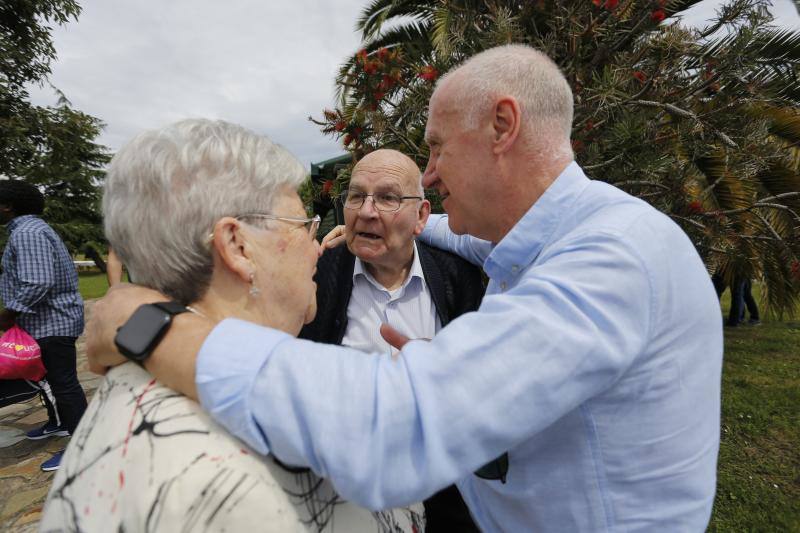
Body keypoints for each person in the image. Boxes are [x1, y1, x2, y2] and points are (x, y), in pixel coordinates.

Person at [86, 45, 723, 531]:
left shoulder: (612, 259)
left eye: (438, 149)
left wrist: (156, 327)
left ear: (503, 126)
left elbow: (394, 428)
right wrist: (390, 224)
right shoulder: (551, 236)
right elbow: (460, 233)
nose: (435, 171)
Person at [40, 119, 422, 532]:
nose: (318, 247)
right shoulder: (221, 489)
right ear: (238, 247)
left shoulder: (141, 375)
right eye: (303, 226)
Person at [300, 148, 483, 531]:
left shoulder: (456, 277)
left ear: (421, 216)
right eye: (355, 196)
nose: (366, 211)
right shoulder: (316, 277)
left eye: (387, 198)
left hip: (444, 490)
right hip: (345, 495)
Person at [0, 180, 86, 472]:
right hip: (46, 322)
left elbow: (38, 281)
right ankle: (58, 424)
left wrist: (10, 313)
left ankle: (82, 447)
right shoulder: (31, 230)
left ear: (8, 205)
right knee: (48, 379)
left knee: (64, 384)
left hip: (53, 323)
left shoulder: (27, 233)